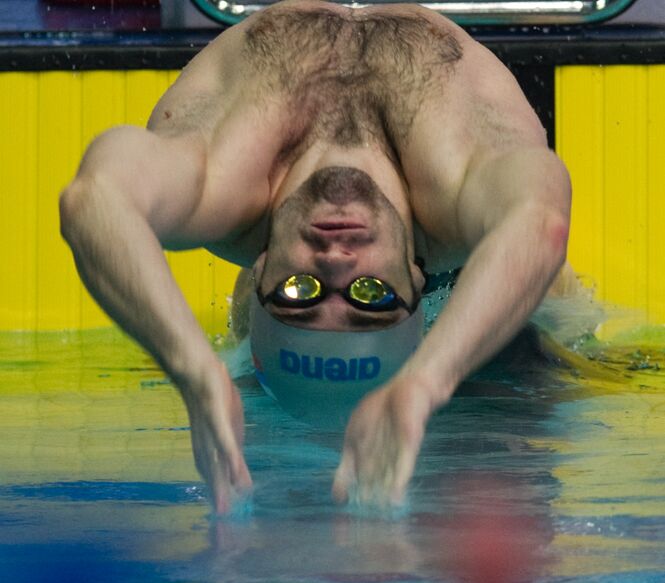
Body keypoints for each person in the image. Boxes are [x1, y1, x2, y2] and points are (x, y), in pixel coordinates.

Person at [60, 0, 572, 513]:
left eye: (298, 291)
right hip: (465, 248)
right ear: (417, 280)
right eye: (371, 295)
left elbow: (92, 199)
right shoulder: (454, 194)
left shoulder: (221, 188)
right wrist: (426, 383)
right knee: (543, 297)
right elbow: (543, 224)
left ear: (260, 267)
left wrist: (193, 369)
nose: (336, 263)